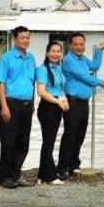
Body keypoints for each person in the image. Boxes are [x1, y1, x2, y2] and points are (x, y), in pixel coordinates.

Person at [57, 33, 104, 179]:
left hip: (83, 103)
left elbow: (94, 66)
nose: (79, 47)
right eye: (76, 44)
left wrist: (100, 50)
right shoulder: (68, 60)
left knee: (79, 136)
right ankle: (62, 168)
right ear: (70, 46)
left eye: (81, 44)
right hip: (72, 102)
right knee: (69, 136)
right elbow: (84, 76)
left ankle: (73, 166)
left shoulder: (83, 58)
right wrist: (99, 82)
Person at [0, 26, 37, 188]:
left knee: (23, 143)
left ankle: (16, 174)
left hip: (27, 106)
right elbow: (0, 83)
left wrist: (33, 103)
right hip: (10, 104)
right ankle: (5, 177)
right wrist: (4, 107)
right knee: (8, 142)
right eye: (23, 38)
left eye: (28, 37)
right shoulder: (6, 58)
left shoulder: (31, 58)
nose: (26, 40)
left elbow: (32, 82)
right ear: (15, 39)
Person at [36, 41, 69, 185]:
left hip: (57, 106)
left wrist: (65, 100)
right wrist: (57, 102)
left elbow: (60, 89)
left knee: (49, 142)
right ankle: (49, 176)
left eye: (58, 51)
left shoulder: (59, 68)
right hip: (48, 108)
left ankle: (42, 175)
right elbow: (41, 91)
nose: (56, 54)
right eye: (53, 51)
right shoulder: (43, 69)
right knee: (48, 143)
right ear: (47, 53)